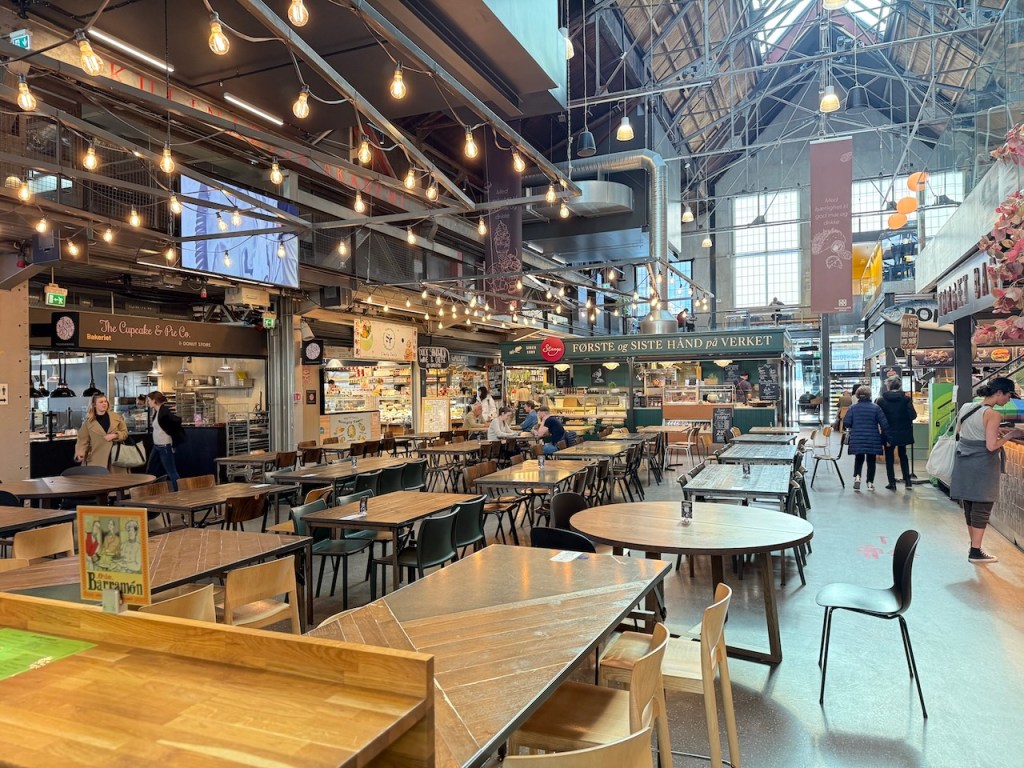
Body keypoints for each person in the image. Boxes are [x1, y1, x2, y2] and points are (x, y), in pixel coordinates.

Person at [949, 377, 1023, 564]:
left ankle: (974, 545)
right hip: (982, 464)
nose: (1008, 400)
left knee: (970, 506)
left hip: (964, 461)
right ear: (999, 393)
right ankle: (975, 551)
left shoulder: (966, 407)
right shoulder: (993, 415)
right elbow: (991, 446)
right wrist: (1010, 435)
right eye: (1008, 395)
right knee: (982, 506)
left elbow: (960, 431)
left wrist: (990, 432)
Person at [843, 385, 890, 491]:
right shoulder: (876, 408)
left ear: (858, 396)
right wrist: (886, 437)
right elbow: (884, 424)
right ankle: (870, 483)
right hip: (872, 438)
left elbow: (846, 422)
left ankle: (857, 477)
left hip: (857, 438)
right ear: (869, 395)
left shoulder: (853, 408)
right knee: (871, 461)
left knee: (859, 458)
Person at [875, 377, 917, 491]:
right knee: (903, 455)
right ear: (899, 386)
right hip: (904, 431)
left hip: (888, 432)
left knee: (889, 457)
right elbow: (913, 415)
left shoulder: (881, 400)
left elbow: (879, 418)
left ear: (888, 386)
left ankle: (892, 482)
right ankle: (907, 480)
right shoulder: (906, 399)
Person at [75, 394, 128, 471]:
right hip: (96, 458)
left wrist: (115, 435)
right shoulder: (88, 422)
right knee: (98, 481)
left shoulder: (116, 417)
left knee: (117, 481)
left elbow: (125, 433)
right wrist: (80, 453)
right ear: (94, 405)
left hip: (116, 457)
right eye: (101, 402)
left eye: (105, 401)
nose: (104, 403)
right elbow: (82, 439)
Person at [147, 391, 184, 491]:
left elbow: (174, 426)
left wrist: (173, 444)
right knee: (151, 469)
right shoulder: (157, 412)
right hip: (157, 446)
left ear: (154, 401)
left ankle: (179, 491)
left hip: (164, 446)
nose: (148, 402)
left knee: (171, 470)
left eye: (149, 400)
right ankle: (149, 490)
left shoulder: (164, 413)